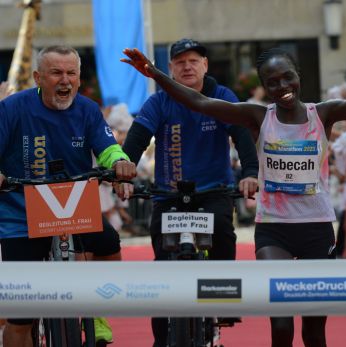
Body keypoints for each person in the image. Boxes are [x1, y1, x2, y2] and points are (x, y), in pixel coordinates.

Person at [121, 45, 346, 347]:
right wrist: (154, 73)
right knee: (282, 328)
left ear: (298, 76)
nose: (282, 87)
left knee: (313, 333)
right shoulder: (259, 117)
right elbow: (200, 103)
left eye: (287, 77)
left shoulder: (322, 114)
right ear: (265, 88)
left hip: (317, 228)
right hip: (274, 231)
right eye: (272, 83)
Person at [120, 38, 259, 347]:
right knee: (162, 267)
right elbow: (137, 139)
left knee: (223, 231)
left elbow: (243, 137)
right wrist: (124, 171)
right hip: (168, 195)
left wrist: (250, 173)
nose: (187, 66)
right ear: (170, 68)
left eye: (193, 60)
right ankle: (161, 340)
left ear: (205, 65)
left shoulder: (222, 96)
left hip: (214, 192)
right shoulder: (158, 102)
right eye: (180, 62)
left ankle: (222, 303)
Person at [0, 46, 136, 347]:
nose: (65, 80)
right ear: (38, 77)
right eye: (56, 73)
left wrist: (118, 162)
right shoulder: (11, 108)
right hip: (19, 215)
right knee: (20, 317)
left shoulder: (87, 108)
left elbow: (107, 146)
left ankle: (99, 308)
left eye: (71, 73)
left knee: (109, 242)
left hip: (73, 207)